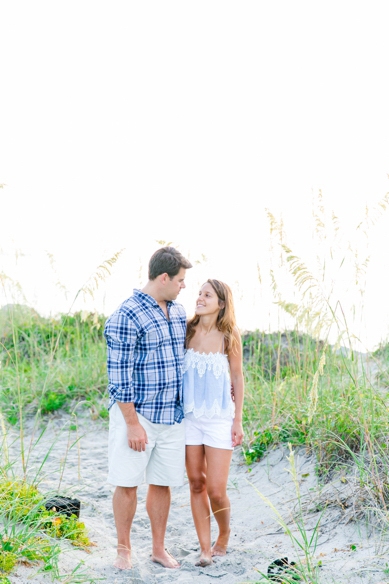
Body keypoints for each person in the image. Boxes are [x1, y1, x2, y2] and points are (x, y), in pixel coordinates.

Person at [104, 246, 192, 570]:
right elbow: (118, 376)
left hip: (172, 415)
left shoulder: (178, 311)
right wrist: (131, 423)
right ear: (164, 277)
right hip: (137, 414)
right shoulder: (126, 314)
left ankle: (158, 548)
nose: (184, 286)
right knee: (127, 483)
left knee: (162, 483)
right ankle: (124, 549)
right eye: (181, 280)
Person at [183, 279, 244, 566]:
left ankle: (225, 532)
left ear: (221, 303)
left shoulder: (230, 335)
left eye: (207, 295)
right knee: (196, 483)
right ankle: (205, 549)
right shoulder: (187, 330)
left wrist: (238, 421)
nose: (200, 298)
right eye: (199, 293)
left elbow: (237, 378)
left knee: (216, 490)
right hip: (189, 418)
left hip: (220, 419)